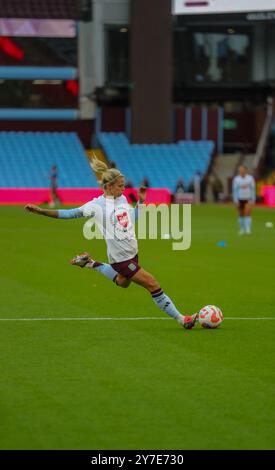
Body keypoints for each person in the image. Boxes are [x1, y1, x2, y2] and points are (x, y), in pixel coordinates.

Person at [24, 157, 197, 330]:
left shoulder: (121, 199)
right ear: (109, 186)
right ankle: (182, 319)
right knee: (152, 283)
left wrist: (141, 202)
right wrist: (41, 211)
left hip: (132, 253)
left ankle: (89, 263)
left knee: (123, 282)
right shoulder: (96, 205)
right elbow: (68, 214)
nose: (124, 189)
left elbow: (132, 219)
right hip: (120, 259)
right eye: (121, 186)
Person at [232, 165, 256, 235]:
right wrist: (235, 200)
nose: (241, 171)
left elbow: (253, 189)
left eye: (242, 169)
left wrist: (253, 199)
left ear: (245, 170)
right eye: (240, 170)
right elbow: (234, 190)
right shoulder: (236, 179)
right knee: (241, 214)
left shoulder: (250, 178)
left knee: (247, 213)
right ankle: (242, 229)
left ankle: (248, 228)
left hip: (248, 198)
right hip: (239, 198)